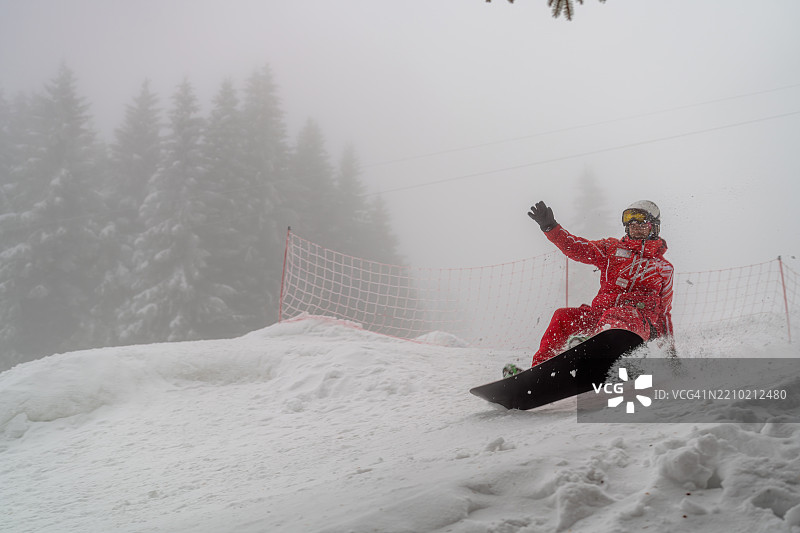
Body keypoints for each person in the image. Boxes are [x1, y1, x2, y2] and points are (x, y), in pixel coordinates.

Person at [525, 199, 674, 368]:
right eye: (631, 225)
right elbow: (577, 248)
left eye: (641, 225)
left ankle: (591, 354)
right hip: (602, 317)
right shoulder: (611, 249)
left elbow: (665, 313)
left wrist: (671, 355)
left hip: (637, 325)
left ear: (654, 228)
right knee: (563, 316)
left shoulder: (663, 268)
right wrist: (551, 227)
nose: (635, 228)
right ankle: (541, 368)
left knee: (618, 314)